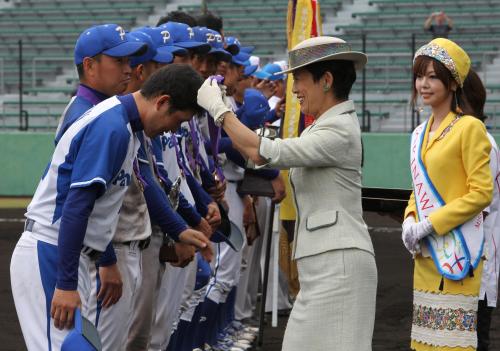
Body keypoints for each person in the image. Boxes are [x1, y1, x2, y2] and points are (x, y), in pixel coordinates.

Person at [10, 63, 211, 351]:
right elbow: (78, 206)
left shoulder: (125, 125)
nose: (174, 129)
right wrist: (66, 284)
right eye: (178, 120)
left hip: (67, 252)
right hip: (50, 249)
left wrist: (179, 230)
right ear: (162, 102)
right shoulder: (112, 127)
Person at [197, 36, 377, 351]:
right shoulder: (324, 127)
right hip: (327, 264)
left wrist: (220, 110)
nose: (293, 90)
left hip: (340, 267)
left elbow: (261, 152)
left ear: (327, 80)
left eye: (300, 80)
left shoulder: (338, 130)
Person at [403, 38, 493, 350]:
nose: (423, 84)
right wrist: (410, 219)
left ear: (453, 83)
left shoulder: (469, 128)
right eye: (419, 76)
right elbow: (417, 189)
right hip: (426, 256)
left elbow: (482, 193)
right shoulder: (419, 132)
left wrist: (431, 223)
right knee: (424, 343)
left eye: (432, 77)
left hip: (458, 253)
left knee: (451, 344)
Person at [55, 23, 146, 144]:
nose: (128, 70)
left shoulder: (101, 108)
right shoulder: (85, 117)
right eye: (119, 61)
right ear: (90, 66)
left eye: (128, 61)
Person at [461, 69, 500, 351]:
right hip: (462, 264)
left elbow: (477, 208)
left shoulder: (482, 143)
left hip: (476, 266)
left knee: (474, 342)